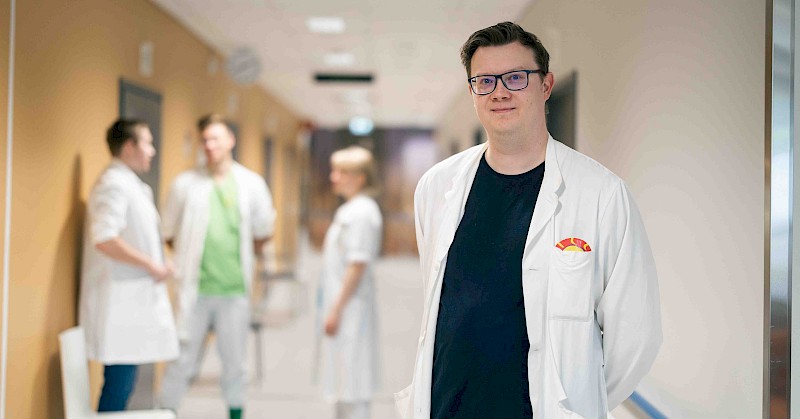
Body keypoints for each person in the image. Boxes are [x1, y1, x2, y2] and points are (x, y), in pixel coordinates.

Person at [395, 22, 662, 419]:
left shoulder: (602, 195)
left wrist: (576, 404)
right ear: (472, 92)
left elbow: (636, 337)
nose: (500, 92)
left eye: (516, 77)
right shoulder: (437, 187)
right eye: (485, 81)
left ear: (546, 85)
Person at [158, 114, 276, 419]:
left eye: (216, 138)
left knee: (235, 362)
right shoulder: (184, 184)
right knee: (181, 359)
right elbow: (167, 231)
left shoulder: (251, 184)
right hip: (194, 289)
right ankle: (167, 412)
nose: (210, 145)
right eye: (205, 140)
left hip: (234, 290)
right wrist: (186, 256)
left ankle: (235, 413)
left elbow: (264, 230)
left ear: (230, 141)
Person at [79, 119, 179, 412]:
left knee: (123, 384)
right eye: (147, 143)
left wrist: (158, 262)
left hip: (129, 303)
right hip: (118, 303)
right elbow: (104, 238)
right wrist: (151, 265)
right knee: (118, 386)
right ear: (128, 147)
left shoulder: (129, 184)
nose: (152, 150)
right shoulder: (113, 184)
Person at [316, 146, 383, 419]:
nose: (334, 177)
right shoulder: (351, 210)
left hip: (351, 308)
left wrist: (336, 309)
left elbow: (357, 265)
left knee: (353, 383)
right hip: (345, 306)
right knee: (343, 382)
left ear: (360, 178)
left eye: (342, 172)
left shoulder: (362, 213)